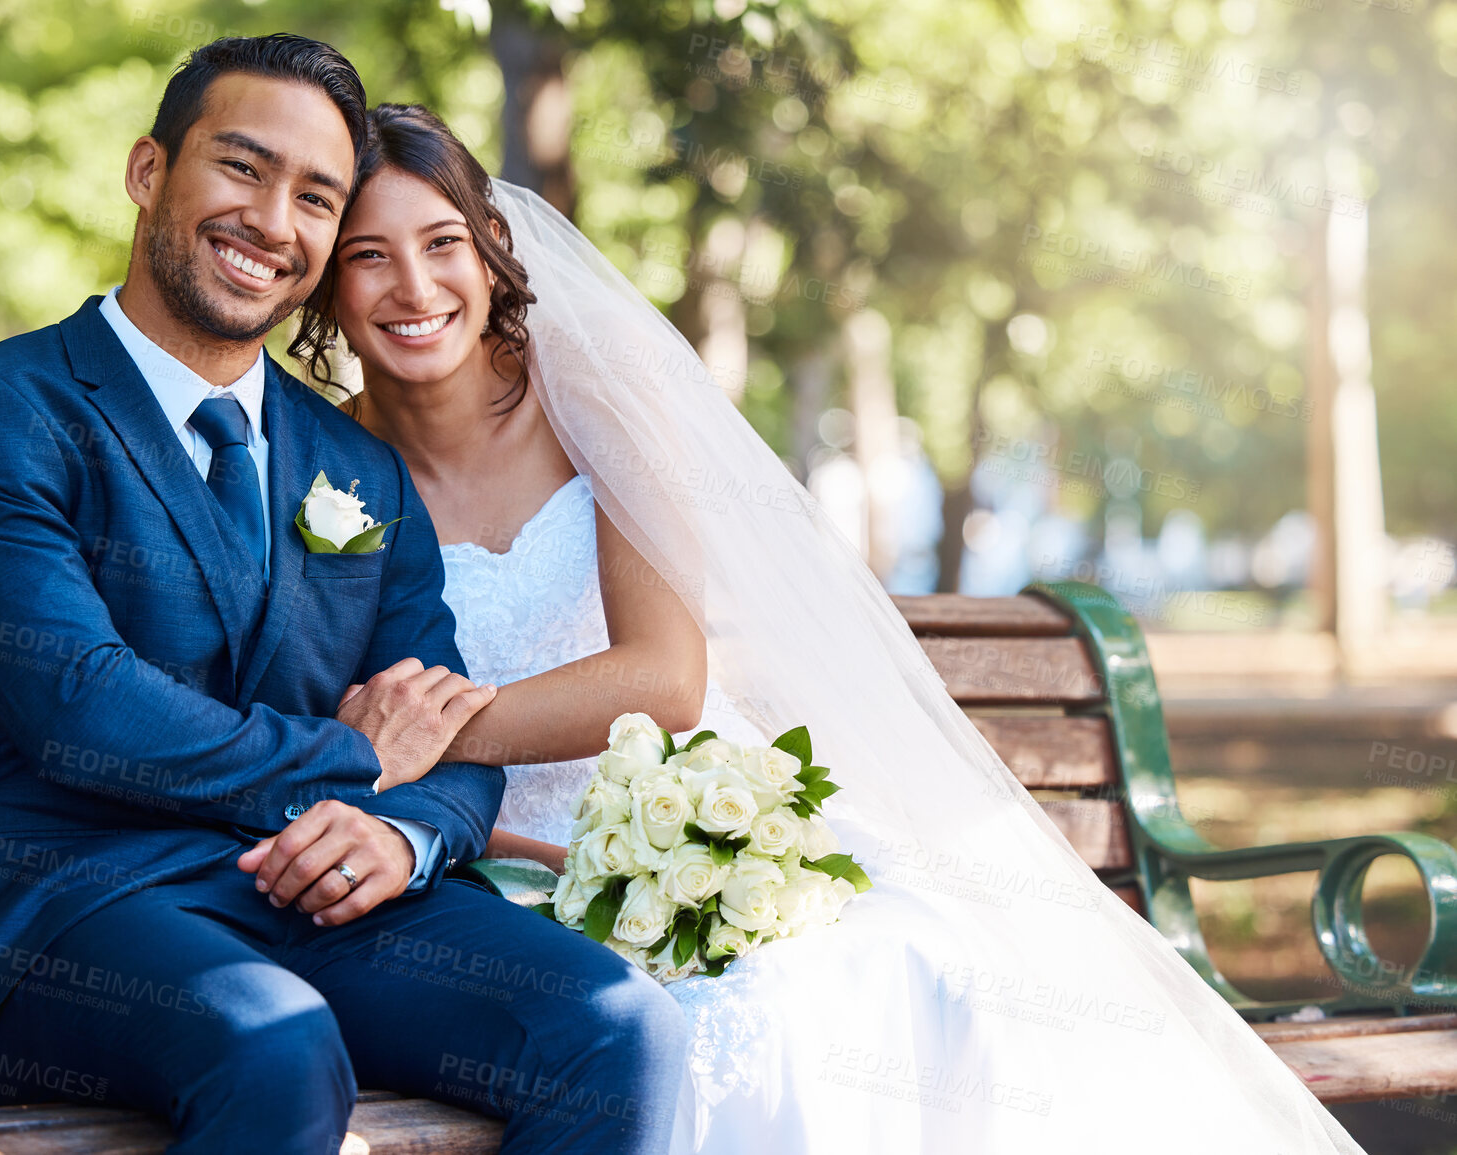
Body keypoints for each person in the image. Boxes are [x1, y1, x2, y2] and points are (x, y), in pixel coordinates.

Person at [271, 102, 1367, 1153]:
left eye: (444, 242)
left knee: (868, 977)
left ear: (494, 249)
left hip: (680, 813)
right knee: (638, 1025)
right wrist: (478, 836)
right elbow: (326, 705)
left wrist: (423, 739)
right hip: (483, 863)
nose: (414, 286)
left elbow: (662, 679)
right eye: (368, 256)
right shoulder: (312, 468)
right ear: (324, 283)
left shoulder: (593, 391)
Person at [0, 37, 686, 1155]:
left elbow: (442, 719)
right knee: (274, 1039)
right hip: (67, 911)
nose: (273, 220)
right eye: (242, 169)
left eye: (316, 197)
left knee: (618, 1030)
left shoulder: (355, 466)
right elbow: (83, 709)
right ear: (148, 171)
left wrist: (403, 838)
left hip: (325, 901)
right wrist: (358, 765)